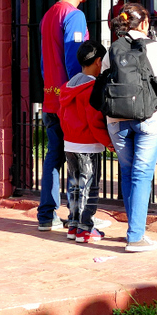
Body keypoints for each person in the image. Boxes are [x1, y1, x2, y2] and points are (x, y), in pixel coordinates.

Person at [102, 3, 157, 252]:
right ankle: (135, 236)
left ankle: (134, 229)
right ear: (144, 23)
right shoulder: (155, 48)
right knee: (142, 174)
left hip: (116, 121)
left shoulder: (112, 49)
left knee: (127, 172)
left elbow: (102, 83)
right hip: (149, 118)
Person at [37, 0, 91, 232]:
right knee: (76, 160)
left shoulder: (48, 16)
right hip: (68, 100)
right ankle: (75, 217)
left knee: (53, 157)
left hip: (50, 97)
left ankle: (46, 215)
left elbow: (44, 61)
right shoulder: (75, 16)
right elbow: (74, 60)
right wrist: (81, 92)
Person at [58, 40, 109, 244]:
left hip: (71, 144)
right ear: (98, 61)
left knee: (76, 186)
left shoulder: (67, 86)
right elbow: (95, 122)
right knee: (90, 187)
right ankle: (86, 229)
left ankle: (74, 225)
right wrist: (109, 142)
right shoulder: (92, 88)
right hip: (89, 145)